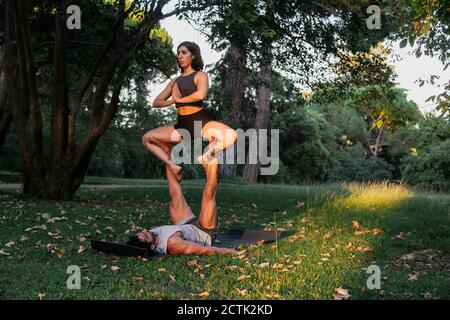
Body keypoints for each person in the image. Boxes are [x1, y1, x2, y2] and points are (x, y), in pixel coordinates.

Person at [142, 41, 238, 181]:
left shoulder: (200, 75)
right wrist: (173, 100)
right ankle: (172, 165)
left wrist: (179, 100)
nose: (180, 56)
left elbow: (200, 94)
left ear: (193, 56)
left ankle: (206, 157)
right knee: (147, 138)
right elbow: (156, 102)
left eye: (184, 53)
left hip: (200, 122)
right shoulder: (175, 81)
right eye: (178, 53)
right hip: (182, 126)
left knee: (231, 135)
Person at [127, 144, 237, 256]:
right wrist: (227, 251)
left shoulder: (153, 237)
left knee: (174, 193)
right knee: (209, 195)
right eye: (145, 235)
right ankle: (212, 156)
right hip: (204, 232)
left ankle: (167, 150)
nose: (145, 230)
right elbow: (202, 250)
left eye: (142, 232)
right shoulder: (173, 244)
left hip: (185, 225)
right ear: (152, 246)